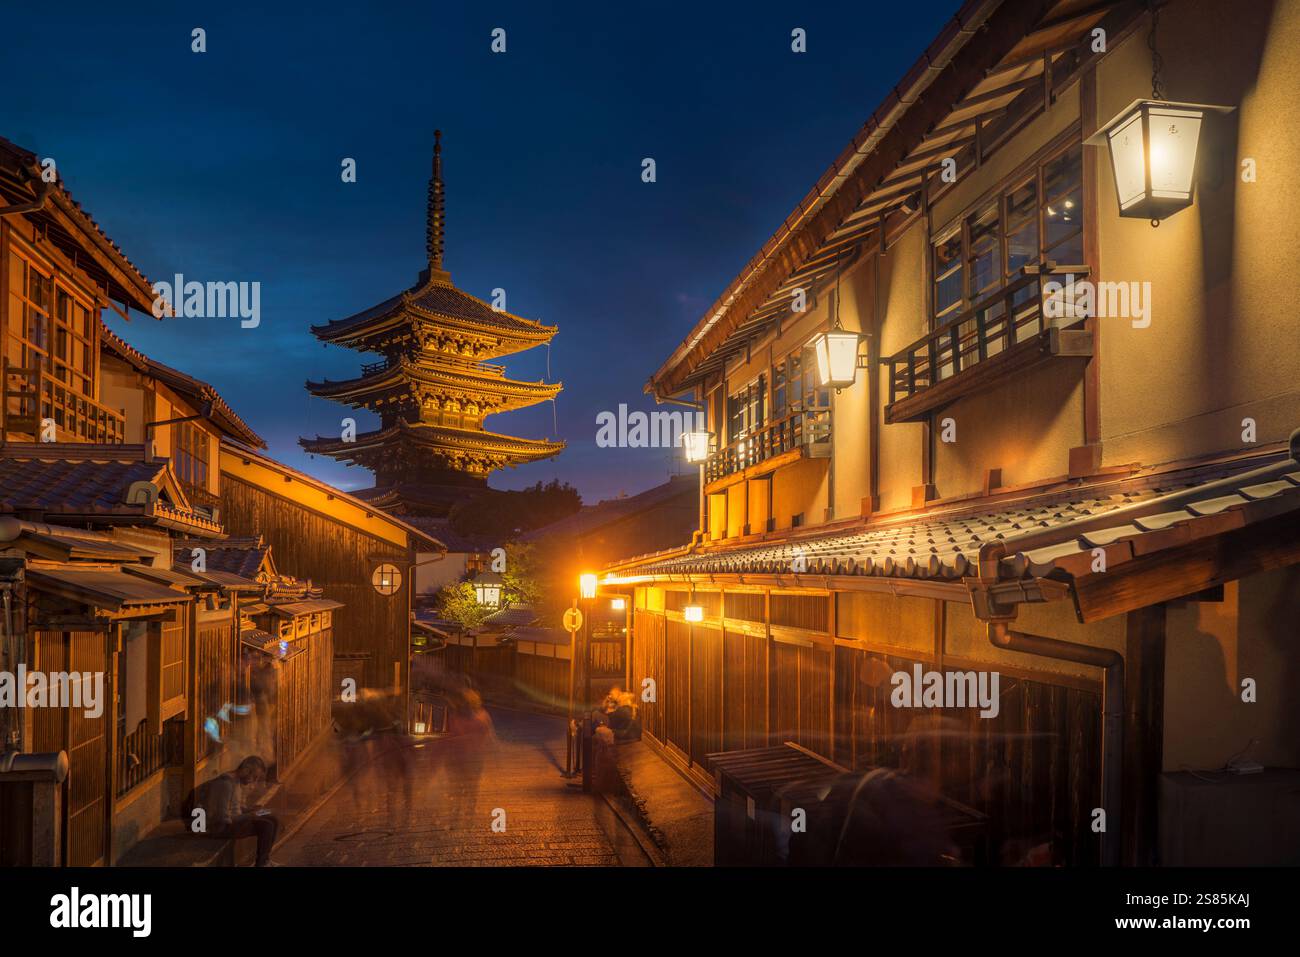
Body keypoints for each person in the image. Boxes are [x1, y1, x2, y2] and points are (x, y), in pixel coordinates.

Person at [206, 755, 280, 866]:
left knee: (273, 818)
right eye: (254, 776)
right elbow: (223, 818)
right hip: (222, 828)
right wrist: (250, 815)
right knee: (266, 825)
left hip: (235, 822)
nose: (254, 781)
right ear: (246, 769)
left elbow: (236, 808)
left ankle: (265, 860)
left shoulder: (236, 782)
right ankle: (261, 864)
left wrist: (250, 810)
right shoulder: (225, 784)